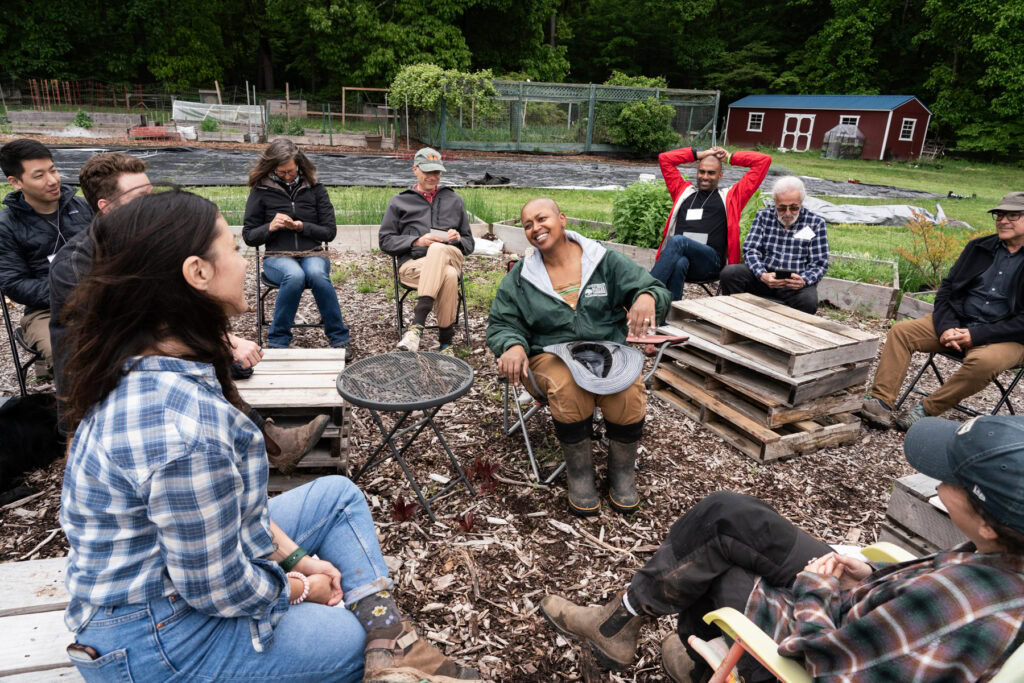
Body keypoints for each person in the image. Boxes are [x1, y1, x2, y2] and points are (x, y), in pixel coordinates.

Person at [59, 190, 480, 683]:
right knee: (344, 638)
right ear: (197, 273)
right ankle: (381, 642)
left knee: (337, 495)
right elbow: (215, 589)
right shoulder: (184, 430)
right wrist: (301, 586)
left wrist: (297, 556)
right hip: (154, 638)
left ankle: (388, 642)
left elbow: (237, 515)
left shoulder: (147, 360)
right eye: (233, 248)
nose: (242, 261)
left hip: (171, 581)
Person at [540, 414, 1024, 682]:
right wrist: (870, 578)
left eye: (950, 477)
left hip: (811, 648)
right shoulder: (998, 553)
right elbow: (899, 623)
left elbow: (827, 664)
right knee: (728, 515)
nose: (936, 479)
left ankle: (686, 658)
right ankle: (618, 623)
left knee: (715, 569)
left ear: (985, 519)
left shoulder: (958, 606)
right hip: (860, 610)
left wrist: (815, 589)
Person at [48, 153, 327, 469]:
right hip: (108, 382)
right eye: (141, 199)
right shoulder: (77, 265)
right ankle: (264, 443)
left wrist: (220, 337)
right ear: (106, 208)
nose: (154, 205)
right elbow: (92, 349)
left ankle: (267, 441)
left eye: (152, 195)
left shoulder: (144, 244)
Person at [486, 198, 670, 516]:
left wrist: (646, 296)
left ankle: (622, 474)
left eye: (541, 218)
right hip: (549, 355)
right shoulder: (521, 278)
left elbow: (653, 288)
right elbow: (502, 323)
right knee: (568, 387)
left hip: (605, 351)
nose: (535, 228)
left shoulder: (604, 261)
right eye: (527, 224)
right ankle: (581, 476)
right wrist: (513, 345)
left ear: (562, 219)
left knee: (627, 390)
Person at [861, 191, 1024, 432]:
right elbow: (948, 289)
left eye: (1012, 215)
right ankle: (880, 402)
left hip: (1006, 337)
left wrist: (976, 336)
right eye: (999, 215)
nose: (1002, 220)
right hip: (961, 322)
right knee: (901, 332)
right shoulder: (979, 247)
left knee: (983, 362)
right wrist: (947, 326)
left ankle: (926, 409)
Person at [242, 139, 350, 352]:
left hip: (313, 253)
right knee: (295, 275)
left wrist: (302, 227)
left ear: (300, 165)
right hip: (277, 257)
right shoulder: (260, 191)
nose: (287, 176)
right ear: (272, 168)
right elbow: (249, 236)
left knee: (317, 275)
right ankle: (278, 340)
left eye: (291, 171)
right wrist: (270, 227)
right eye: (281, 173)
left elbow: (330, 232)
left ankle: (339, 338)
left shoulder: (316, 189)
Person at [0, 139, 91, 372]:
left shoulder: (83, 208)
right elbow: (14, 283)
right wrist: (70, 292)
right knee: (68, 354)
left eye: (53, 170)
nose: (53, 180)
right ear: (15, 182)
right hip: (46, 309)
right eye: (39, 176)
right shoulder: (7, 226)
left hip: (98, 296)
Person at [379, 147, 475, 353]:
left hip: (451, 256)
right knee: (448, 276)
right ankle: (446, 344)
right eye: (428, 172)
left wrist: (458, 239)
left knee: (440, 249)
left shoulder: (454, 200)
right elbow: (385, 241)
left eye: (437, 172)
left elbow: (469, 243)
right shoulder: (399, 201)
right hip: (414, 267)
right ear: (415, 169)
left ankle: (416, 328)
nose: (433, 177)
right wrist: (416, 241)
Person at [649, 145, 771, 301]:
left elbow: (763, 161)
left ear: (720, 175)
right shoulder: (683, 192)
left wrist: (729, 157)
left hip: (710, 264)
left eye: (711, 173)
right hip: (683, 260)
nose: (705, 177)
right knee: (680, 262)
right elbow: (665, 159)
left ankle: (645, 292)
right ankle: (669, 311)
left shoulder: (731, 197)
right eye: (702, 171)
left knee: (679, 241)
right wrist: (700, 154)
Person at [719, 175, 829, 314]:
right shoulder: (764, 216)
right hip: (764, 276)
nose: (788, 213)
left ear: (801, 203)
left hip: (794, 283)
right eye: (782, 208)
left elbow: (819, 263)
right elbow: (751, 250)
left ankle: (788, 331)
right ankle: (736, 316)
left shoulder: (815, 223)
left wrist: (803, 280)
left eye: (794, 208)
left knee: (808, 301)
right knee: (730, 273)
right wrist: (762, 274)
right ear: (775, 202)